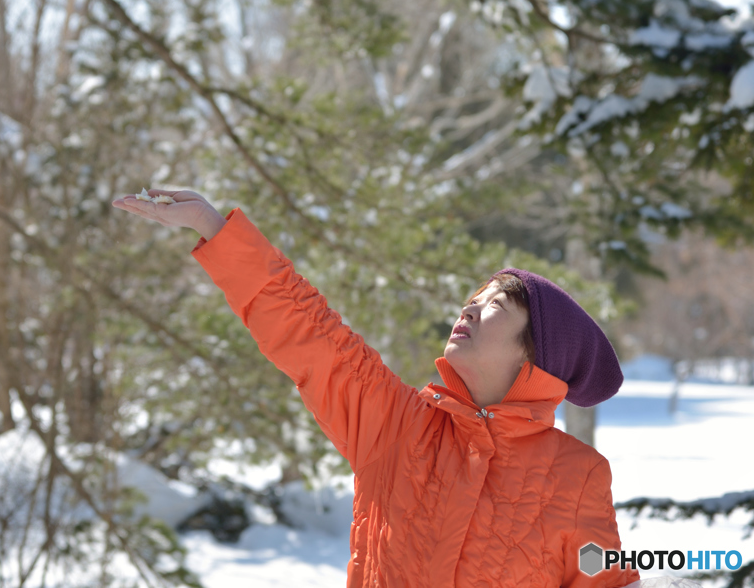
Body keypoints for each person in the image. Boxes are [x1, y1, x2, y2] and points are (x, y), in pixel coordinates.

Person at [113, 189, 640, 588]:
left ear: (536, 357)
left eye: (496, 305)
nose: (470, 308)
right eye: (472, 298)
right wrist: (213, 226)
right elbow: (310, 335)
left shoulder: (578, 477)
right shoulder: (396, 424)